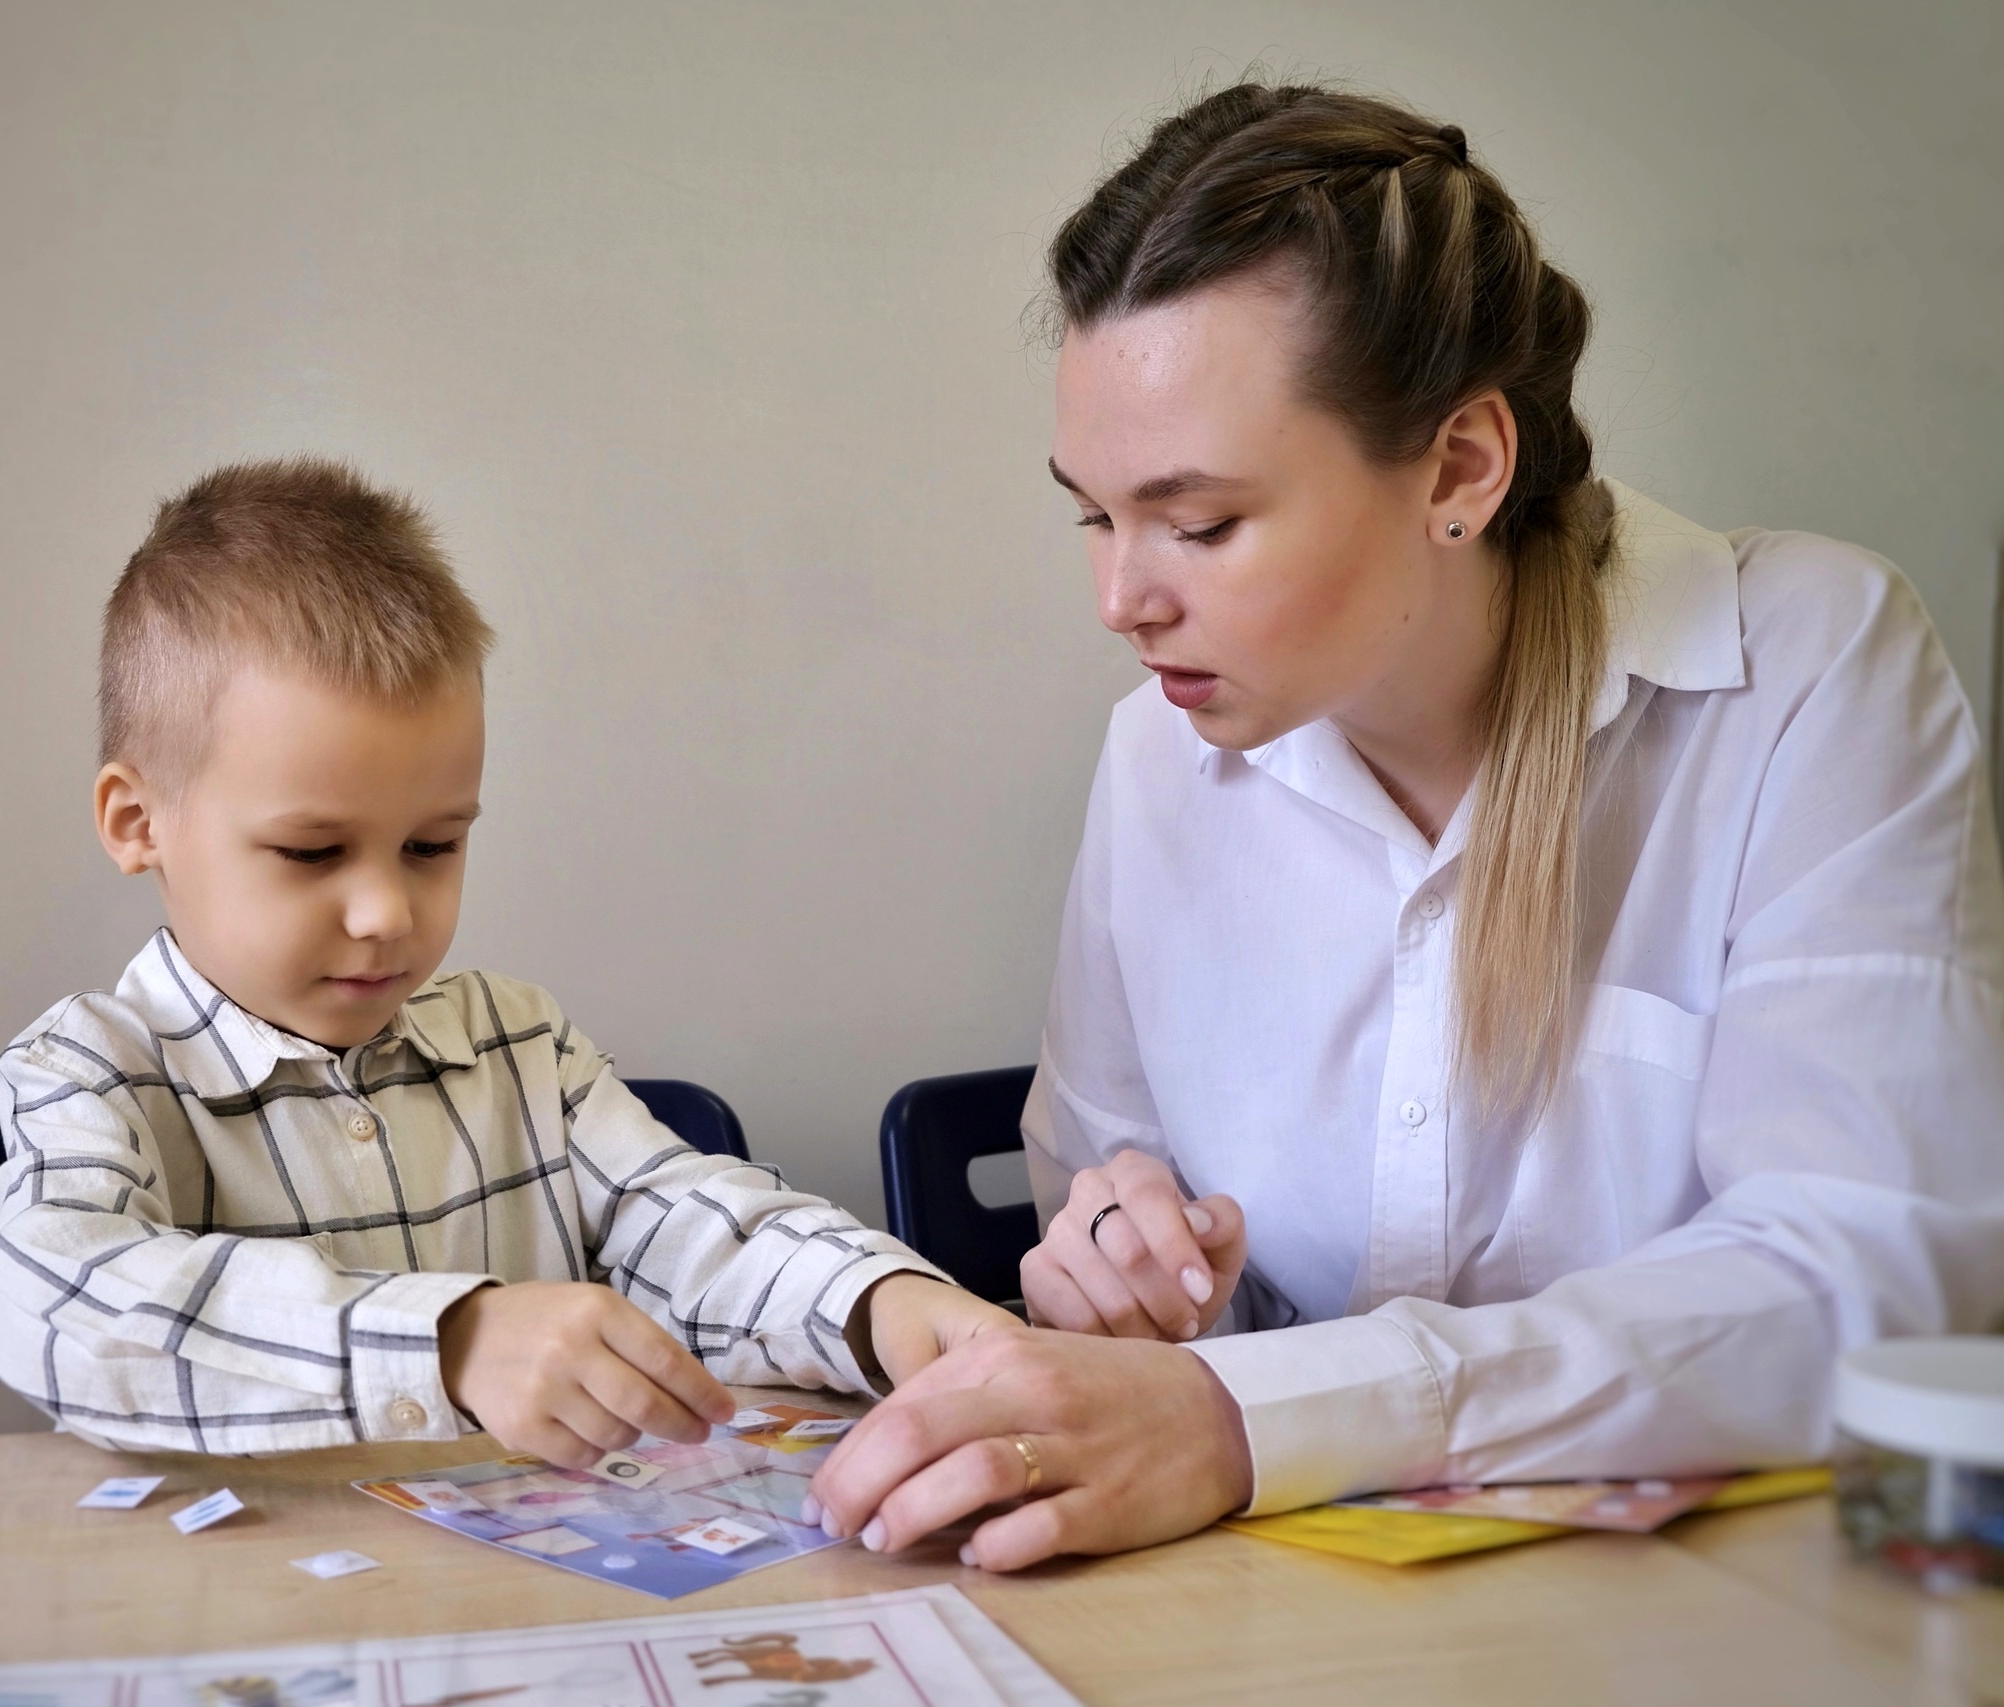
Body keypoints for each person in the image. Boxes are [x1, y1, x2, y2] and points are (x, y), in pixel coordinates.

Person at [807, 82, 2004, 1571]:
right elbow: (1131, 1269)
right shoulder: (1158, 758)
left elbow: (1875, 1272)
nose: (1123, 597)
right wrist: (1135, 1281)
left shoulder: (1808, 667)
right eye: (1094, 516)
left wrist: (1254, 1411)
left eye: (1200, 521)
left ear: (1458, 468)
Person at [0, 458, 1014, 1461]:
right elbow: (48, 1298)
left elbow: (695, 1229)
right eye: (311, 851)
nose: (383, 912)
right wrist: (451, 1340)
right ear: (137, 820)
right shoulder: (93, 1068)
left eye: (433, 844)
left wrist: (882, 1305)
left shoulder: (518, 1045)